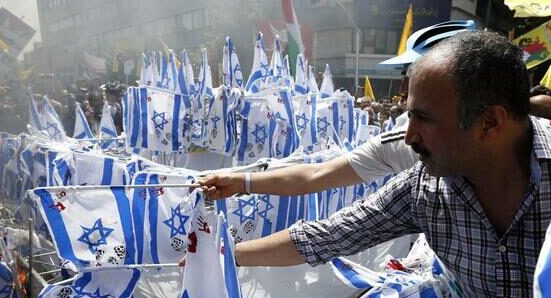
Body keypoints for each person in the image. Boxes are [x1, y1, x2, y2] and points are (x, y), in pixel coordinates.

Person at [221, 31, 551, 298]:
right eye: (409, 114)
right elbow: (328, 236)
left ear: (489, 122)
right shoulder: (424, 188)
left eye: (424, 119)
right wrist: (224, 254)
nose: (409, 136)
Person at [198, 21, 476, 199]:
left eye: (414, 74)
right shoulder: (403, 147)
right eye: (405, 74)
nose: (403, 89)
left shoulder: (518, 163)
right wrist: (243, 181)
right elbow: (317, 176)